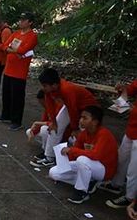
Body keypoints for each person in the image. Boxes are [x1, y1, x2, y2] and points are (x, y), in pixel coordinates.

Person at [49, 106, 118, 204]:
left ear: (95, 121)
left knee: (82, 159)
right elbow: (75, 153)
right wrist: (64, 158)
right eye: (81, 117)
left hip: (103, 170)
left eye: (85, 118)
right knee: (54, 173)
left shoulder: (104, 134)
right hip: (87, 165)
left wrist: (72, 150)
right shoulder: (84, 133)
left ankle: (81, 192)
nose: (81, 120)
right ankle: (89, 182)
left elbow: (95, 155)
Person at [37, 68, 98, 166]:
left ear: (54, 85)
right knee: (54, 127)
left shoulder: (67, 89)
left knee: (81, 135)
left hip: (87, 108)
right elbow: (49, 105)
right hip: (71, 106)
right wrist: (53, 121)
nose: (43, 88)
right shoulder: (49, 90)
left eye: (45, 86)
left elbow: (72, 110)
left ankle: (78, 160)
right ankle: (49, 156)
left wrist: (75, 128)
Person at [0, 12, 38, 130]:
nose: (21, 22)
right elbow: (4, 46)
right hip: (9, 68)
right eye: (20, 19)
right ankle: (6, 115)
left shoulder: (32, 36)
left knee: (17, 97)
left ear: (30, 22)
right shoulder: (16, 33)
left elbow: (23, 50)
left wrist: (12, 50)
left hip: (20, 71)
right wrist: (12, 50)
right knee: (6, 93)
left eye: (24, 20)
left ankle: (16, 121)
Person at [101, 80, 137, 208]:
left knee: (134, 168)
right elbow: (130, 90)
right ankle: (116, 184)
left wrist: (127, 104)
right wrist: (123, 90)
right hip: (132, 128)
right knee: (122, 158)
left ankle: (130, 198)